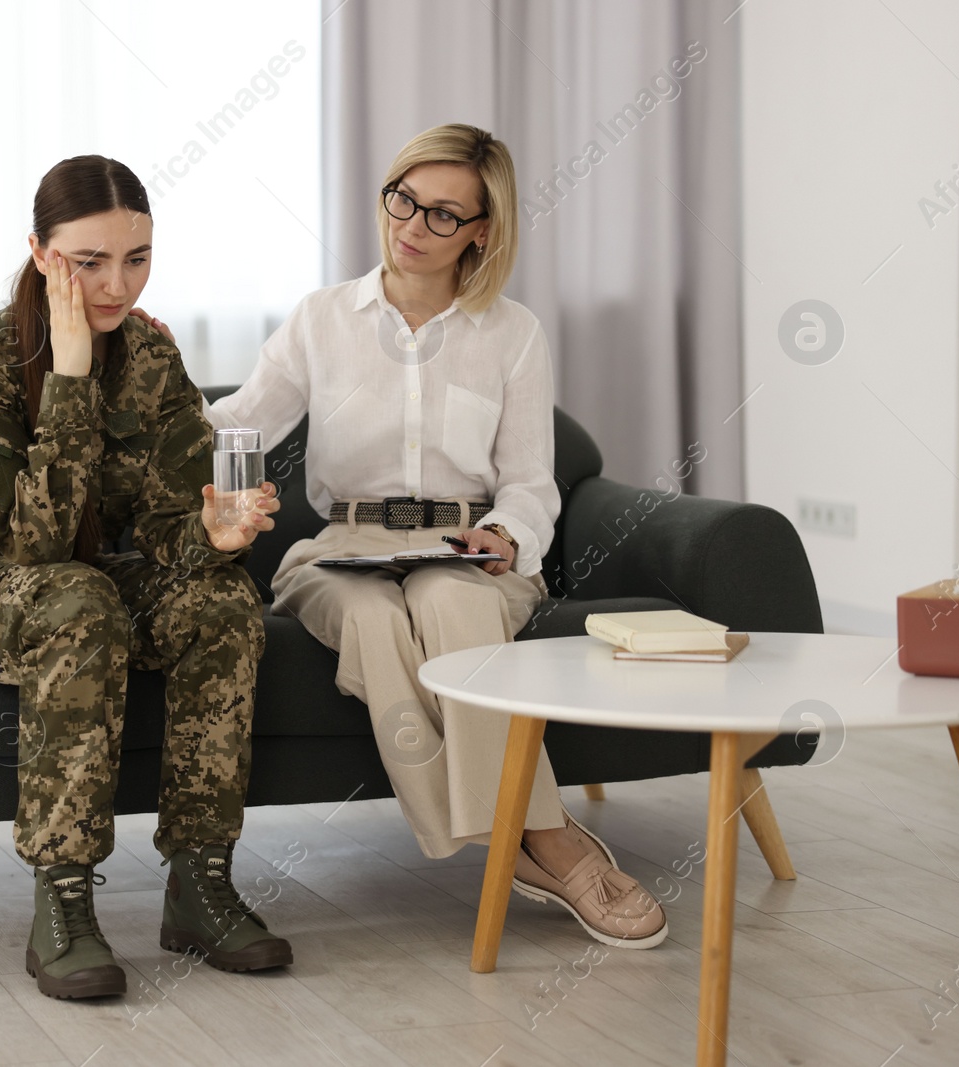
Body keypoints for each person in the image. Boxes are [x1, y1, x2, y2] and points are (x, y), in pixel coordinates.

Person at [202, 124, 667, 949]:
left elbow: (530, 479)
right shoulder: (323, 319)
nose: (413, 226)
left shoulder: (513, 333)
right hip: (341, 550)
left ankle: (523, 843)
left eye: (444, 214)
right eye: (403, 199)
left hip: (461, 549)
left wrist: (505, 534)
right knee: (378, 620)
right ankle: (541, 836)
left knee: (451, 600)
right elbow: (238, 422)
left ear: (484, 230)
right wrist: (155, 388)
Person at [0, 155, 292, 1000]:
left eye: (136, 258)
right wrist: (67, 375)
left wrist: (212, 533)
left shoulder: (153, 360)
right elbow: (31, 546)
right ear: (39, 252)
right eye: (88, 261)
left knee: (221, 600)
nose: (117, 283)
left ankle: (200, 884)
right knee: (80, 597)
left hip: (68, 580)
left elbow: (169, 532)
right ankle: (63, 901)